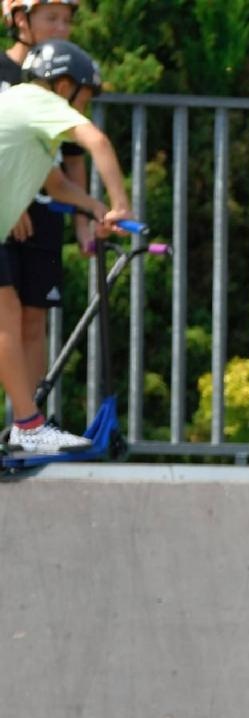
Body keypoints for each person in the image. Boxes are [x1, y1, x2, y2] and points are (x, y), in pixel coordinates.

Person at [0, 39, 127, 454]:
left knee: (8, 316)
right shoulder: (44, 102)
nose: (82, 108)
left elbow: (53, 182)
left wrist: (94, 207)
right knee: (7, 319)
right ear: (65, 84)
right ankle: (28, 425)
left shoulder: (23, 105)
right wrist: (122, 206)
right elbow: (99, 142)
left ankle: (26, 423)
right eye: (84, 96)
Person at [2, 0, 94, 423]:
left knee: (33, 318)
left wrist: (84, 220)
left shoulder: (64, 77)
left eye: (67, 20)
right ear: (20, 20)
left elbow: (73, 157)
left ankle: (30, 420)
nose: (61, 28)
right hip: (7, 209)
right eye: (50, 18)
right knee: (5, 317)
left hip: (44, 212)